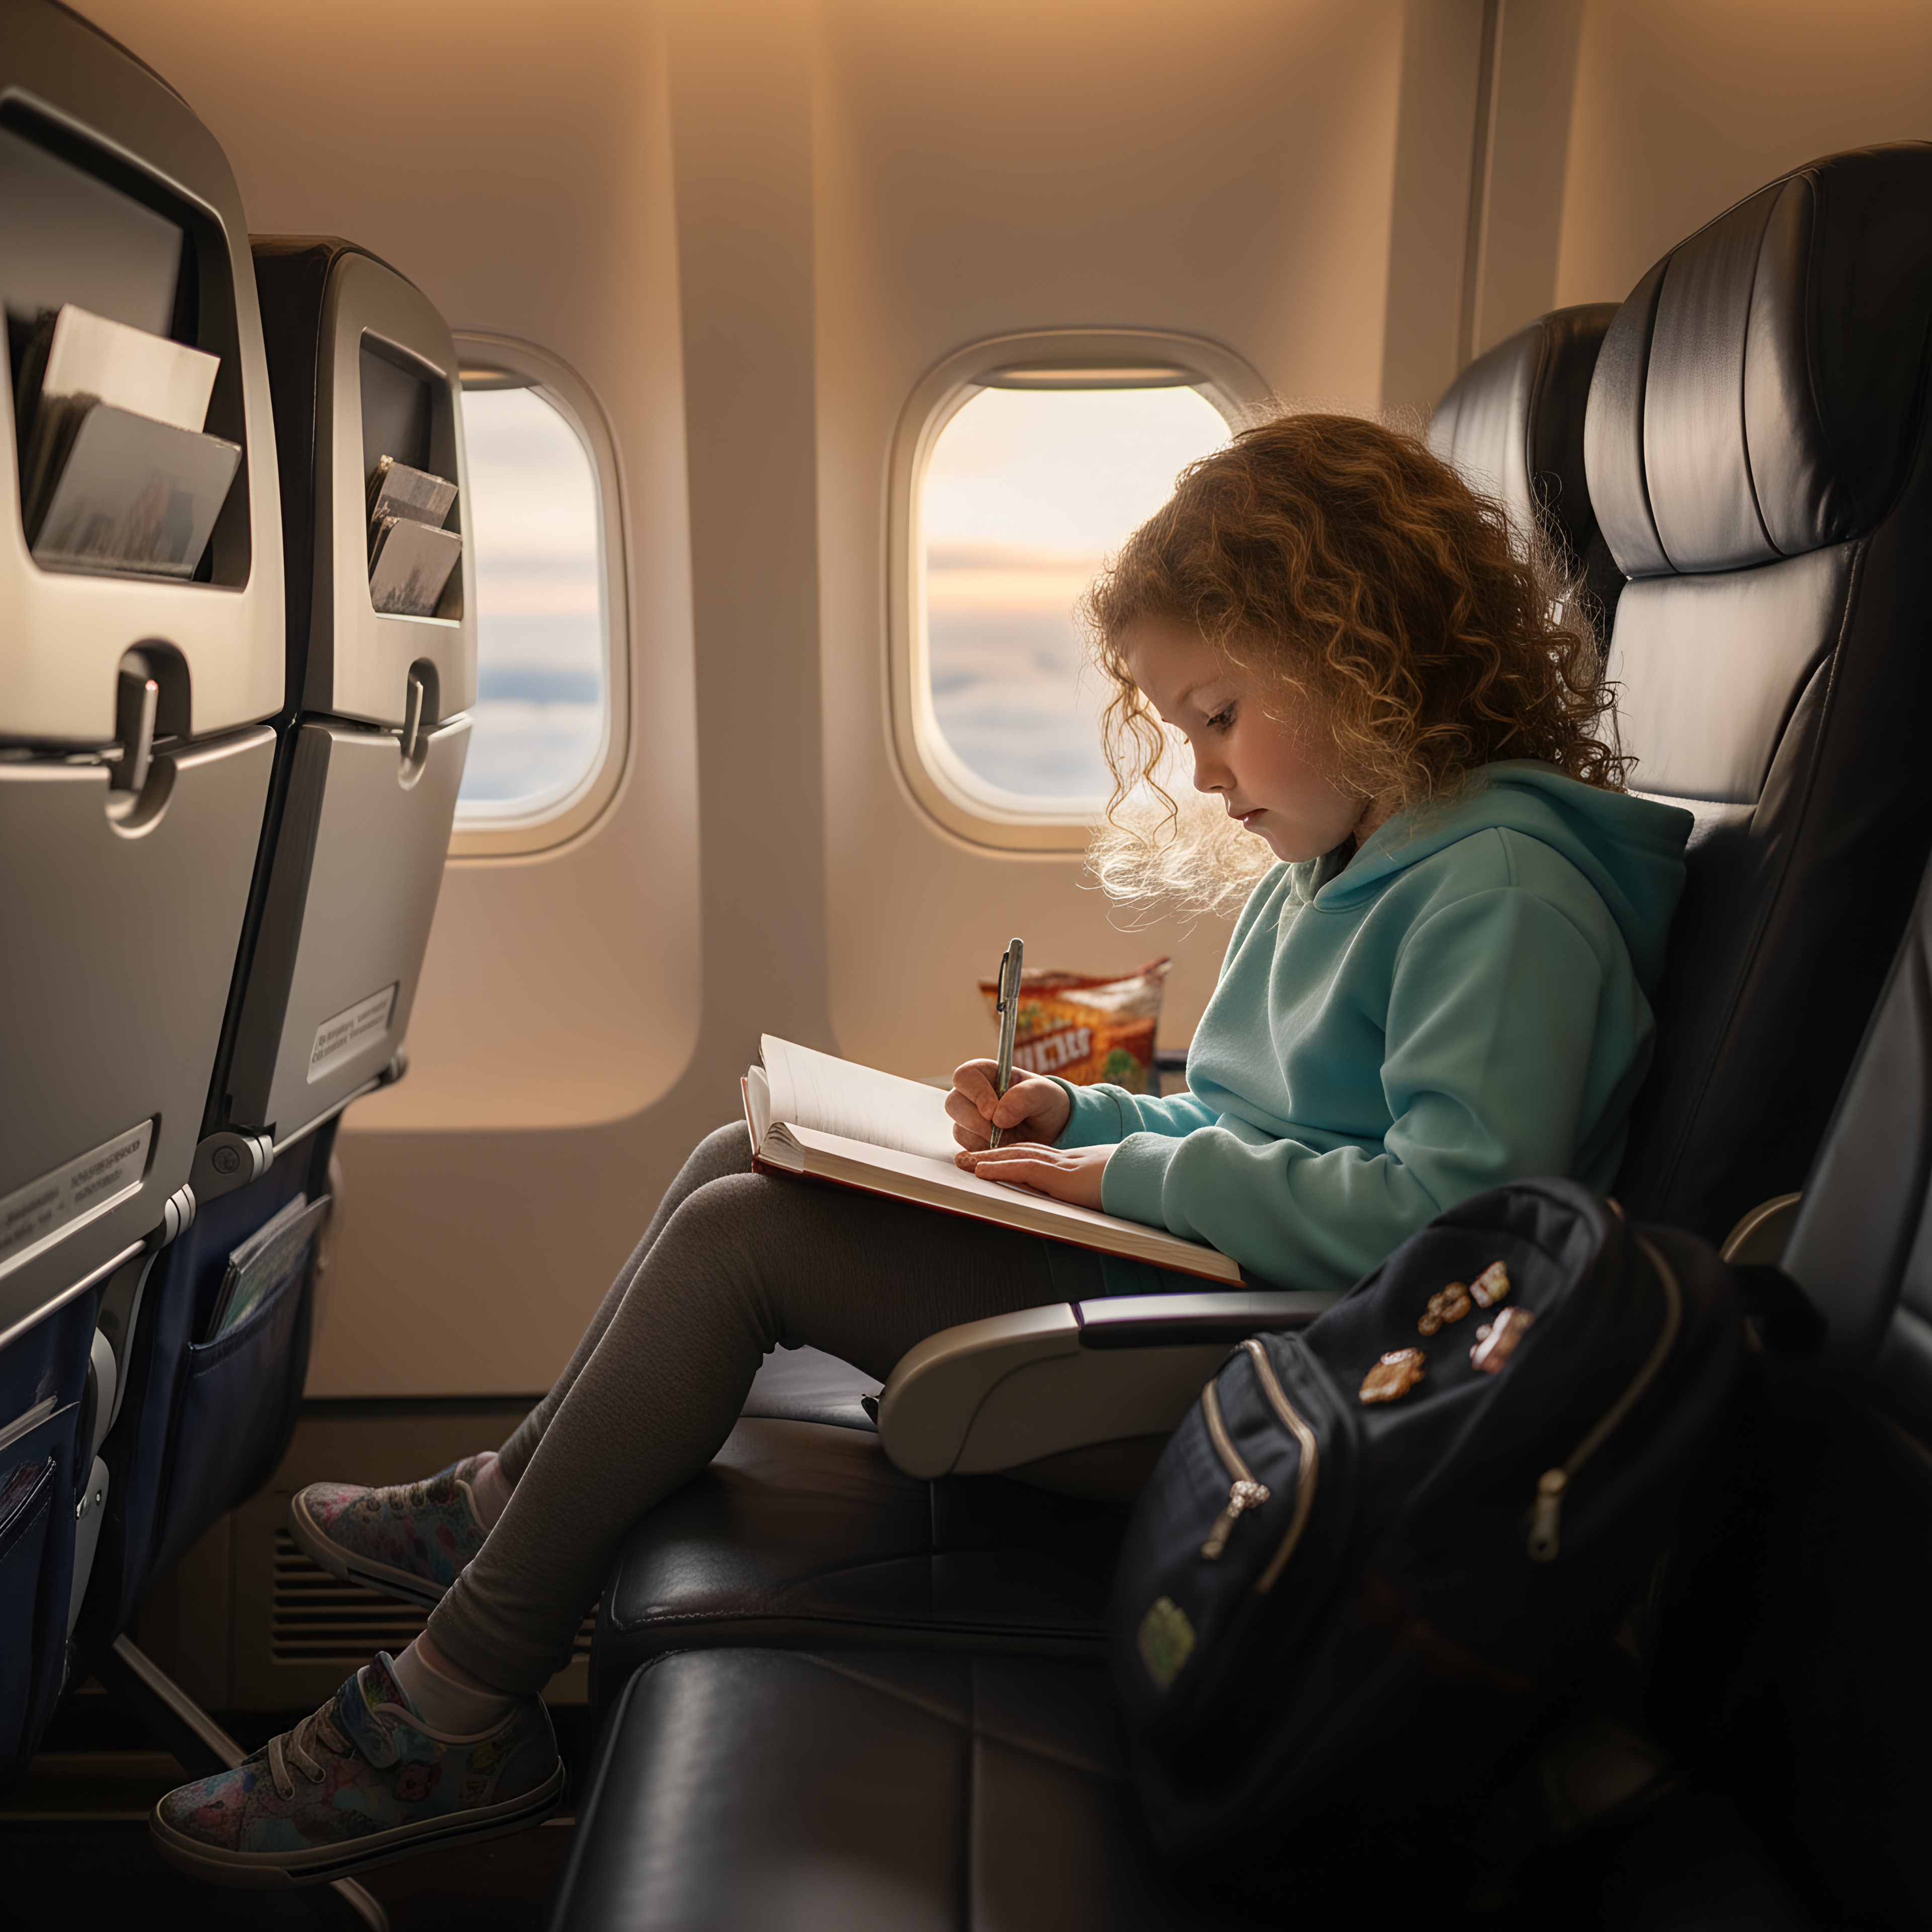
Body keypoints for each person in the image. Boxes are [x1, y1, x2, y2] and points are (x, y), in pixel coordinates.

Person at [150, 413, 1693, 1886]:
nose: (1209, 777)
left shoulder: (1499, 895)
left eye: (1220, 717)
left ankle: (454, 1717)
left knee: (743, 1245)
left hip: (1312, 1381)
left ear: (1367, 651)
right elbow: (1262, 1131)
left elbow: (1453, 1225)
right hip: (1247, 1308)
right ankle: (509, 1505)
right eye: (1186, 732)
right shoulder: (1353, 858)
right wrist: (1083, 1119)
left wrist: (1127, 1179)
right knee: (734, 1164)